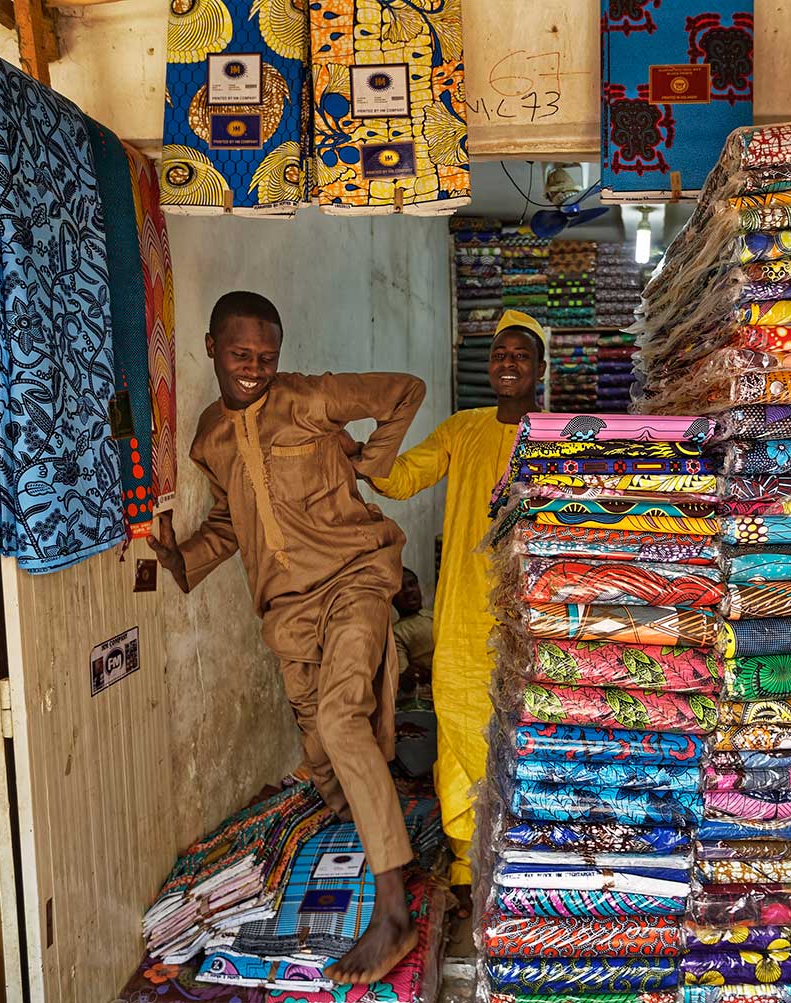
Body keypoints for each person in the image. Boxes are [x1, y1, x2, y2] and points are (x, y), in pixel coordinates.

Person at [148, 291, 425, 984]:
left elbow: (403, 391)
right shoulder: (209, 438)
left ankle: (393, 911)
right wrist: (180, 561)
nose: (254, 368)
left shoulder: (306, 399)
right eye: (241, 355)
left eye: (266, 357)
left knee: (340, 718)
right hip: (287, 610)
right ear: (211, 347)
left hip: (356, 578)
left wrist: (371, 463)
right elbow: (231, 521)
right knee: (324, 752)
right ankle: (386, 839)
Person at [356, 310, 547, 899]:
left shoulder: (564, 436)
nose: (507, 363)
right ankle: (469, 860)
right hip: (465, 608)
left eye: (520, 354)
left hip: (537, 608)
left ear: (540, 368)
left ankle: (528, 849)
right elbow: (402, 478)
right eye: (499, 354)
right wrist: (360, 452)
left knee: (529, 724)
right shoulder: (462, 429)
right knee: (461, 717)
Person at [391, 567, 434, 696]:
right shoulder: (397, 632)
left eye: (412, 584)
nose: (409, 591)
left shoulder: (438, 613)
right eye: (400, 588)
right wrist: (412, 674)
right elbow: (404, 679)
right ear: (391, 597)